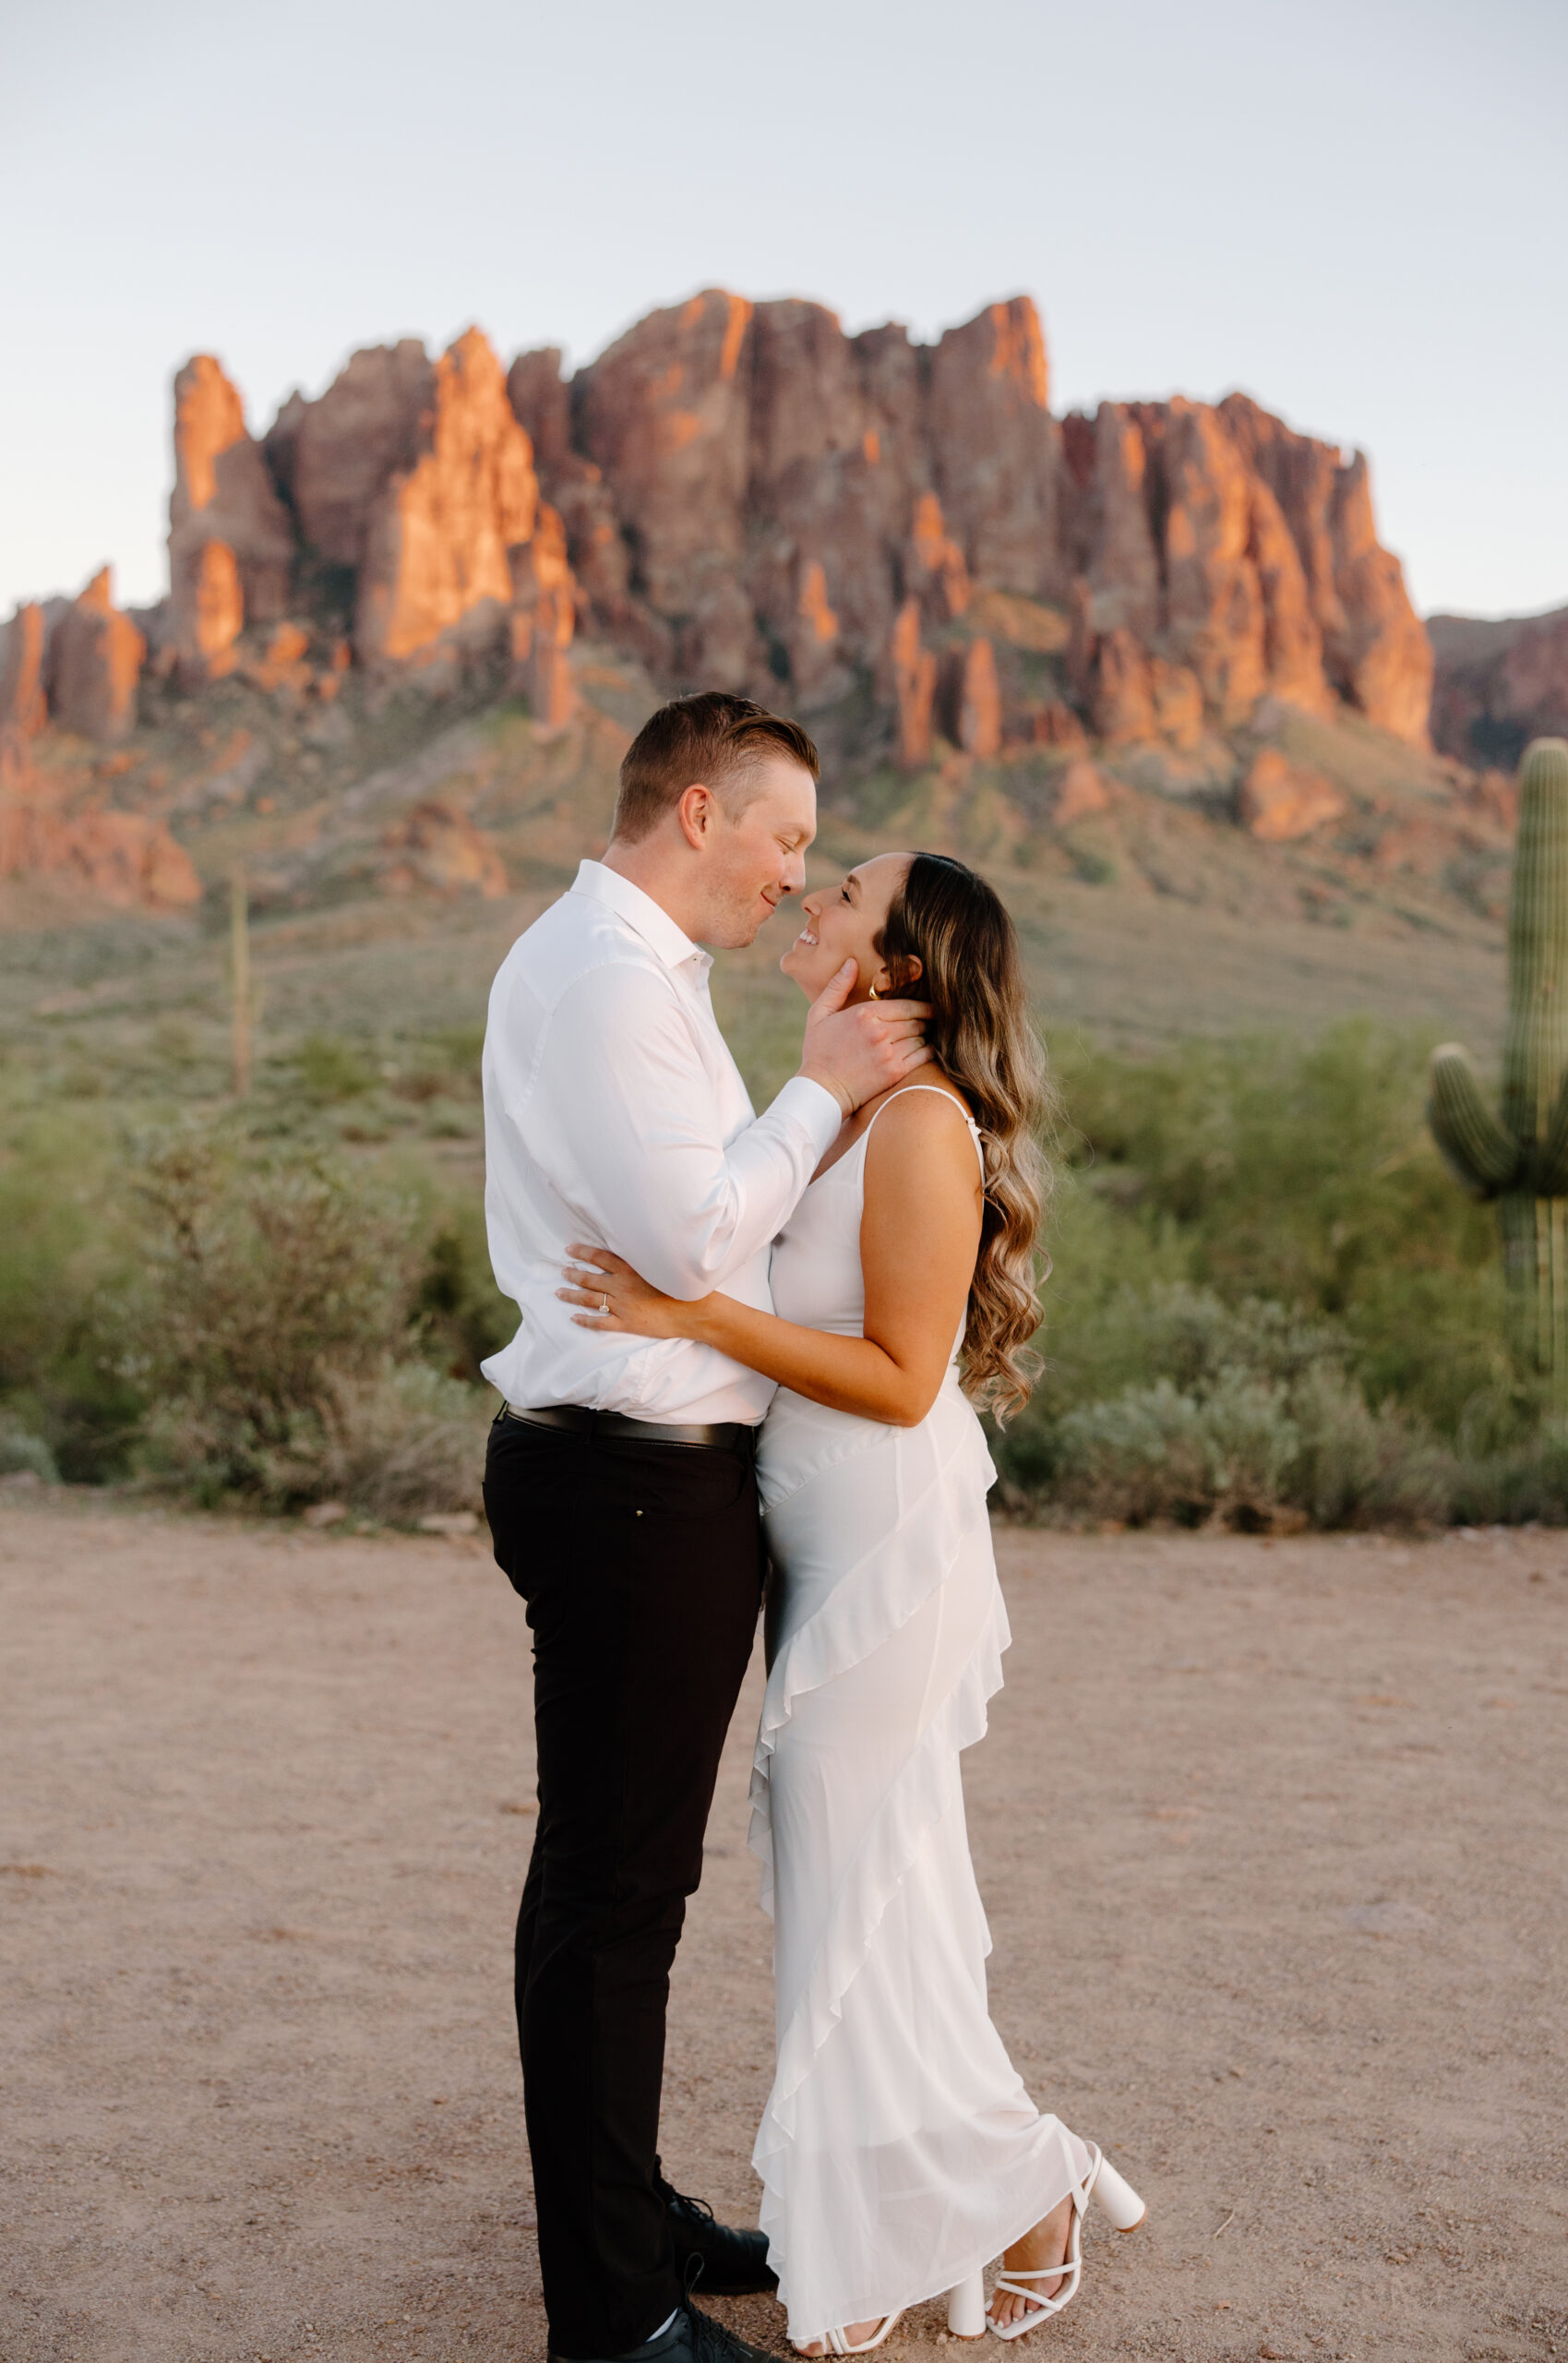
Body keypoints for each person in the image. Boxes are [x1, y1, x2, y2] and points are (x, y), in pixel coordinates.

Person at [558, 850, 1147, 2355]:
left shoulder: (924, 1127)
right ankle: (970, 2193)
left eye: (847, 894)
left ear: (896, 964)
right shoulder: (843, 1111)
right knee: (874, 1885)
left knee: (849, 1881)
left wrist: (688, 1309)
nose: (810, 895)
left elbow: (897, 1383)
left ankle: (1004, 2190)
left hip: (889, 1542)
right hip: (818, 1537)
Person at [479, 693, 935, 2363]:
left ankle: (629, 2216)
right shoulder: (607, 983)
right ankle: (612, 2314)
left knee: (624, 1885)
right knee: (613, 1893)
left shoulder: (634, 974)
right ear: (694, 811)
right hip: (624, 1482)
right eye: (786, 838)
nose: (792, 875)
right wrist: (819, 1089)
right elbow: (689, 1234)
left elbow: (699, 1254)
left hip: (640, 1478)